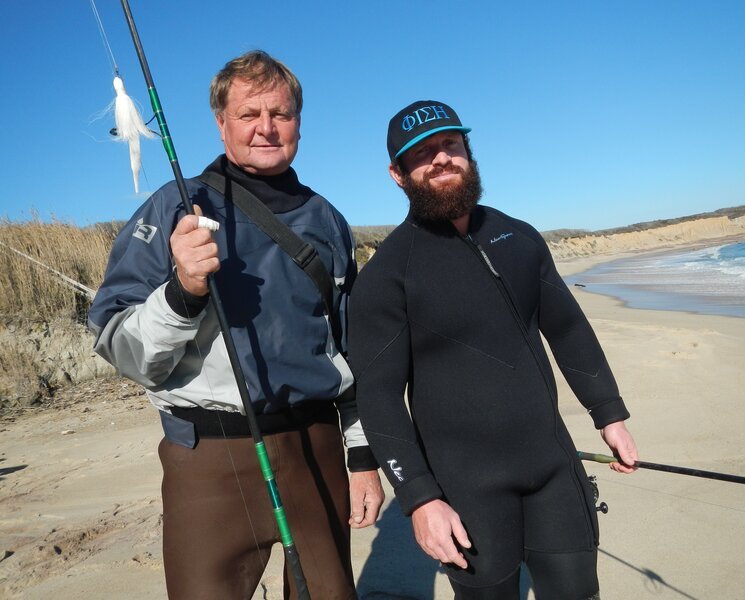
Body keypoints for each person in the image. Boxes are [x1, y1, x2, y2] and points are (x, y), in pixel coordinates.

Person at [88, 50, 384, 600]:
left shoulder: (329, 221)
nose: (266, 128)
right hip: (210, 460)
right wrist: (182, 293)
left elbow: (353, 351)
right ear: (221, 122)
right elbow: (122, 350)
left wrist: (362, 456)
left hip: (317, 450)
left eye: (282, 113)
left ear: (299, 119)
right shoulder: (171, 208)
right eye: (249, 114)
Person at [347, 100, 638, 600]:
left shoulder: (518, 237)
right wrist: (419, 499)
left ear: (468, 152)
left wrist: (608, 413)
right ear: (398, 174)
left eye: (450, 145)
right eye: (423, 153)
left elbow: (567, 328)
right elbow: (378, 397)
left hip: (553, 469)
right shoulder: (388, 274)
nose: (441, 159)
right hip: (467, 490)